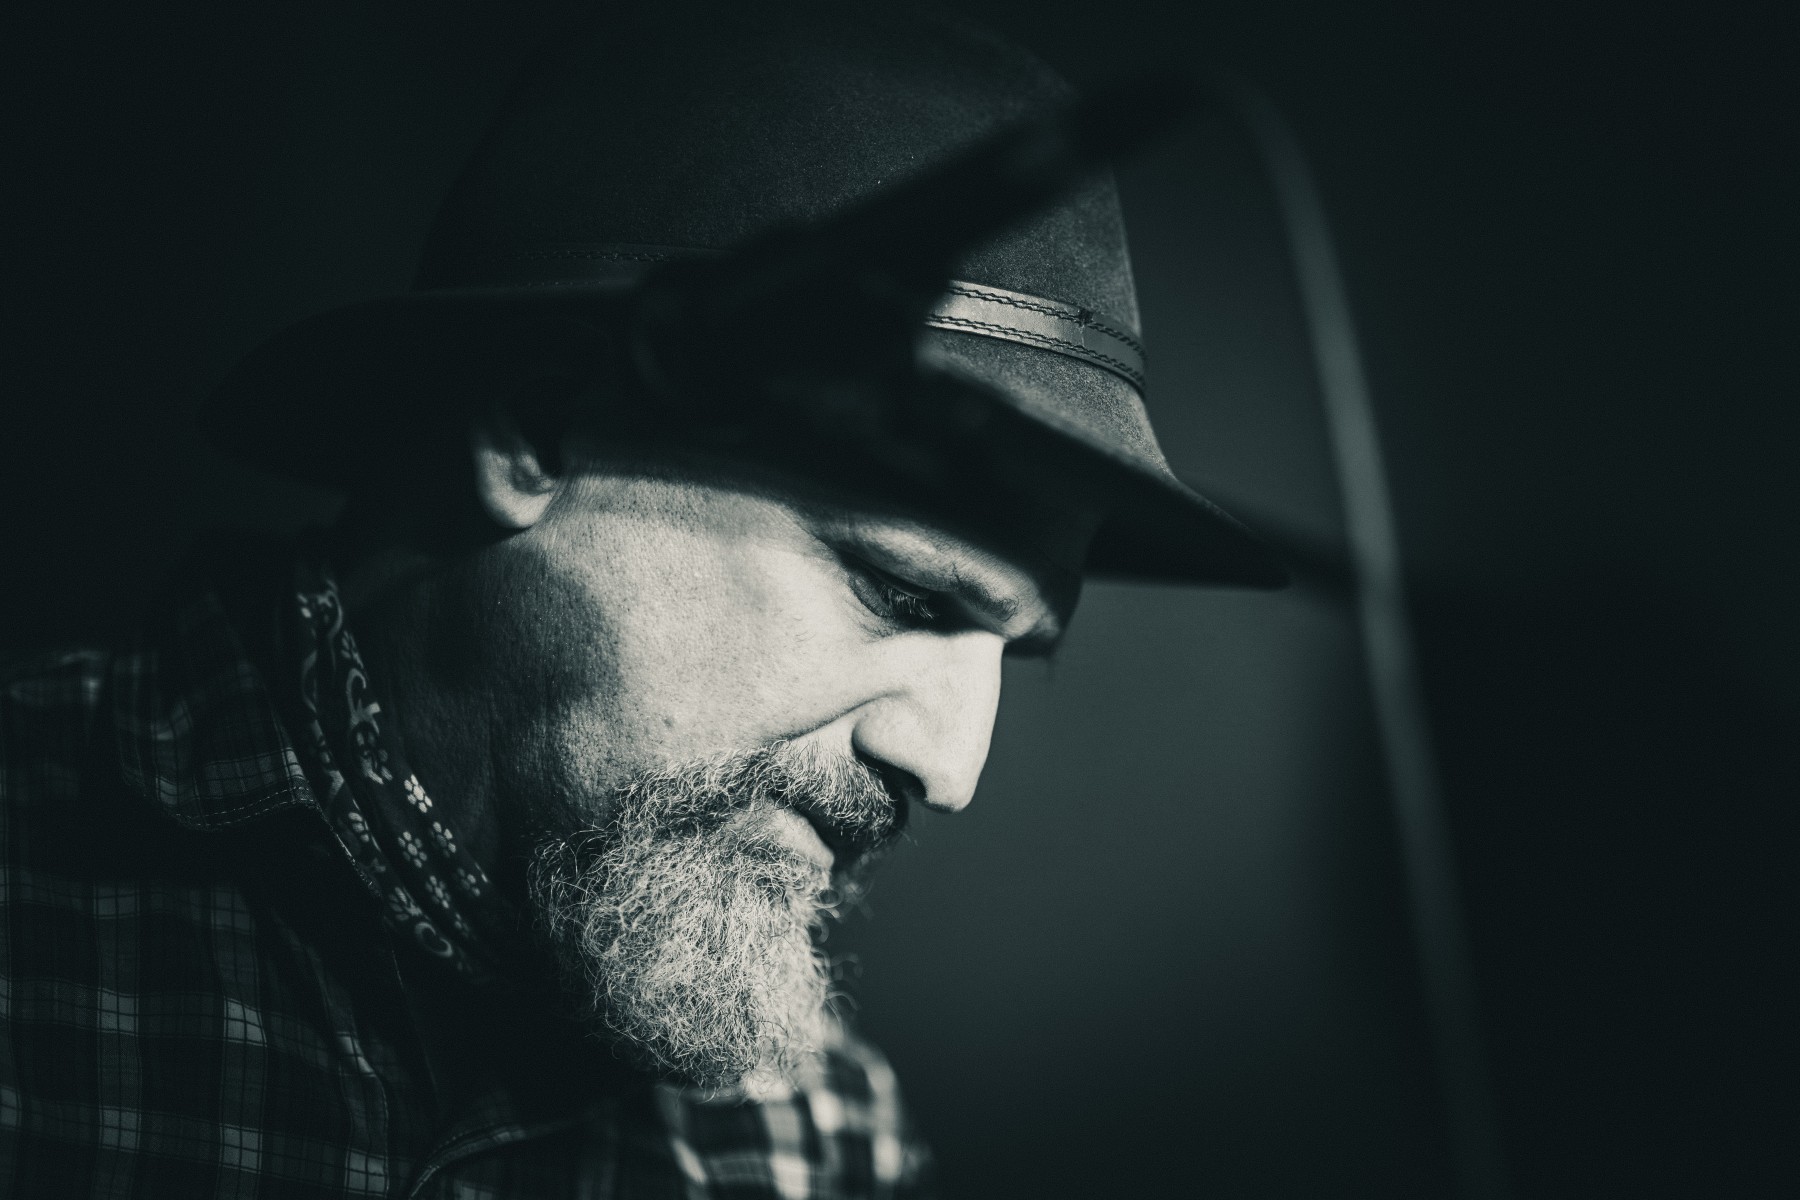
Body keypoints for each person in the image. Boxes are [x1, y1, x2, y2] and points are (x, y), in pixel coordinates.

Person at [0, 4, 1279, 1196]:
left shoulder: (820, 1137)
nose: (951, 769)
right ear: (541, 434)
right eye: (898, 591)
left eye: (1015, 649)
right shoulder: (35, 890)